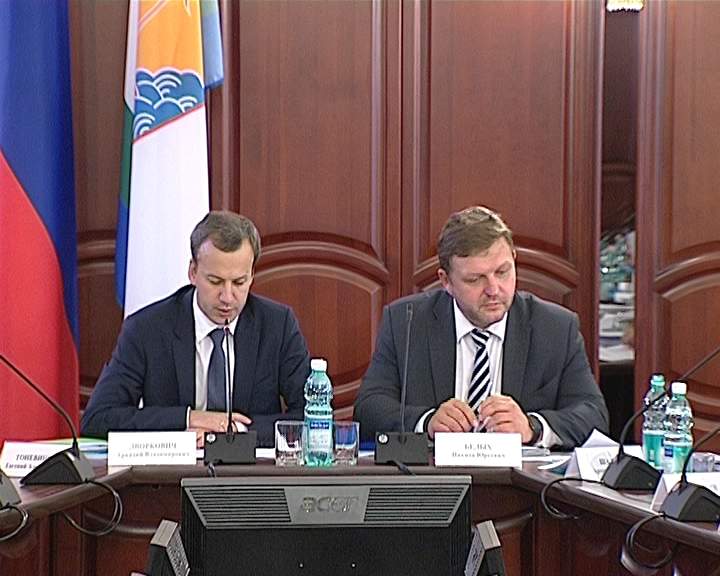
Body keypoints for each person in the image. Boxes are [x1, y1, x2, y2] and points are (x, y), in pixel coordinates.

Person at [354, 206, 608, 450]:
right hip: (436, 476)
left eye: (502, 272)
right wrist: (427, 422)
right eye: (475, 279)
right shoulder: (406, 322)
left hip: (520, 478)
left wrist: (533, 427)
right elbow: (369, 409)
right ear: (446, 281)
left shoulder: (555, 328)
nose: (494, 290)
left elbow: (593, 415)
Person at [81, 211, 310, 447]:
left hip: (253, 467)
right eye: (215, 281)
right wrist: (189, 419)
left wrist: (235, 430)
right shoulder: (147, 329)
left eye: (239, 282)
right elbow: (98, 418)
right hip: (175, 468)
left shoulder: (278, 325)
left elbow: (314, 418)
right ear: (193, 272)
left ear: (252, 275)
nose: (227, 297)